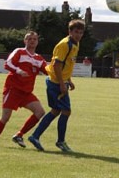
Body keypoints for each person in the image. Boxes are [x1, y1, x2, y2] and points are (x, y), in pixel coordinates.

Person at [28, 19, 85, 152]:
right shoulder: (64, 44)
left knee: (56, 110)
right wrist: (62, 84)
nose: (78, 35)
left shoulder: (75, 43)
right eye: (76, 32)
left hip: (60, 81)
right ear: (69, 31)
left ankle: (35, 136)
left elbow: (67, 64)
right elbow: (57, 65)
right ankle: (60, 141)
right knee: (66, 111)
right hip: (55, 82)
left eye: (81, 33)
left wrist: (68, 80)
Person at [0, 31, 47, 147]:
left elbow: (49, 71)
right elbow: (8, 63)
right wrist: (18, 70)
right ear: (25, 41)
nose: (32, 41)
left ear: (37, 42)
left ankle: (19, 135)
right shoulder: (19, 52)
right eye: (29, 39)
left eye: (34, 39)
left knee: (40, 112)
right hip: (13, 89)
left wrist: (62, 74)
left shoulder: (39, 59)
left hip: (26, 92)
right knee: (5, 118)